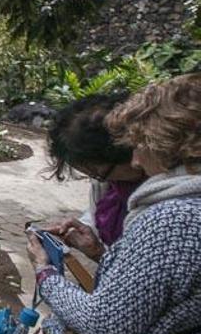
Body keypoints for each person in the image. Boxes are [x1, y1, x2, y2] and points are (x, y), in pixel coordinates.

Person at [27, 73, 201, 334]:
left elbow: (107, 325)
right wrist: (99, 252)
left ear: (175, 144)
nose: (136, 160)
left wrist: (45, 275)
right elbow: (158, 291)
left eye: (142, 145)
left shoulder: (173, 218)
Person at [44, 94, 146, 261]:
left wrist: (45, 274)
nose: (98, 180)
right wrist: (90, 238)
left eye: (98, 173)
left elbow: (138, 280)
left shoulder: (167, 210)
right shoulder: (113, 187)